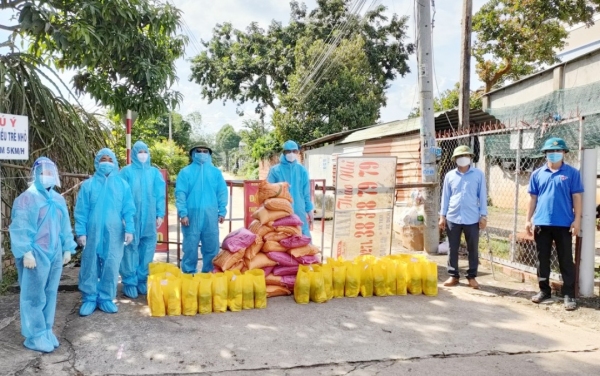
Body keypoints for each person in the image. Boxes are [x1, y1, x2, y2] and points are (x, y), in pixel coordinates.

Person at [9, 157, 77, 353]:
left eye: (50, 172)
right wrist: (26, 252)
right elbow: (20, 227)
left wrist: (67, 247)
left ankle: (46, 329)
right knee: (33, 296)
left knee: (50, 293)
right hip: (36, 254)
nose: (46, 176)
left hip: (54, 253)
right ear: (35, 174)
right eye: (43, 172)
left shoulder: (58, 198)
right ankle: (34, 335)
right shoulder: (27, 198)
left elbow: (64, 225)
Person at [74, 148, 135, 316]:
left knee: (112, 264)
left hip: (115, 232)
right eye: (103, 159)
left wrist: (129, 228)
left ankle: (106, 298)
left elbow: (128, 209)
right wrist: (81, 232)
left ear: (114, 162)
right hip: (92, 232)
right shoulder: (88, 185)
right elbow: (81, 211)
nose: (106, 162)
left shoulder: (122, 185)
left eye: (109, 159)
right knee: (90, 264)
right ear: (97, 162)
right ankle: (89, 298)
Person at [525, 137, 582, 311]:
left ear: (564, 153)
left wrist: (577, 219)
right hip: (542, 222)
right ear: (545, 154)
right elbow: (532, 198)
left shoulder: (572, 173)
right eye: (550, 152)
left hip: (563, 223)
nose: (554, 154)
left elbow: (577, 197)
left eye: (557, 151)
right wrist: (528, 219)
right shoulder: (537, 174)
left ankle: (568, 294)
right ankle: (544, 291)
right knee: (542, 259)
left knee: (565, 259)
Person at [119, 141, 166, 298]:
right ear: (133, 154)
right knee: (130, 247)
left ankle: (141, 280)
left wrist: (160, 214)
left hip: (150, 218)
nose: (142, 154)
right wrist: (123, 216)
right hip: (131, 217)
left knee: (147, 247)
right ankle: (129, 281)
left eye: (145, 151)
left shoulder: (154, 173)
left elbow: (160, 195)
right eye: (139, 151)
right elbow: (121, 197)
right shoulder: (126, 172)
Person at [439, 145, 488, 289]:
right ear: (455, 159)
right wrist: (442, 216)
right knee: (452, 248)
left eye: (465, 156)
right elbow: (445, 197)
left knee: (472, 248)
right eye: (460, 156)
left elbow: (482, 196)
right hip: (453, 217)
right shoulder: (450, 176)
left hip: (472, 218)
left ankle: (472, 277)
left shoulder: (478, 175)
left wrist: (483, 216)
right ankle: (453, 275)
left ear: (470, 158)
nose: (463, 159)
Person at [175, 145, 228, 274]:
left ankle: (208, 276)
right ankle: (189, 275)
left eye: (205, 151)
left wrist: (222, 211)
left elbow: (222, 192)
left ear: (209, 154)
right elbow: (180, 193)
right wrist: (183, 213)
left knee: (212, 247)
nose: (202, 153)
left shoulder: (216, 173)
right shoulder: (185, 172)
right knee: (190, 246)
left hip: (210, 215)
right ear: (193, 153)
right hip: (191, 215)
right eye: (198, 151)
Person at [267, 140, 314, 238]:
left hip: (299, 210)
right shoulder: (275, 170)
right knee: (281, 237)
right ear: (284, 153)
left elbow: (306, 193)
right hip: (280, 211)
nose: (291, 154)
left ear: (297, 152)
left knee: (303, 236)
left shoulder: (302, 171)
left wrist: (309, 209)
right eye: (288, 151)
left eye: (294, 151)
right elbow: (269, 191)